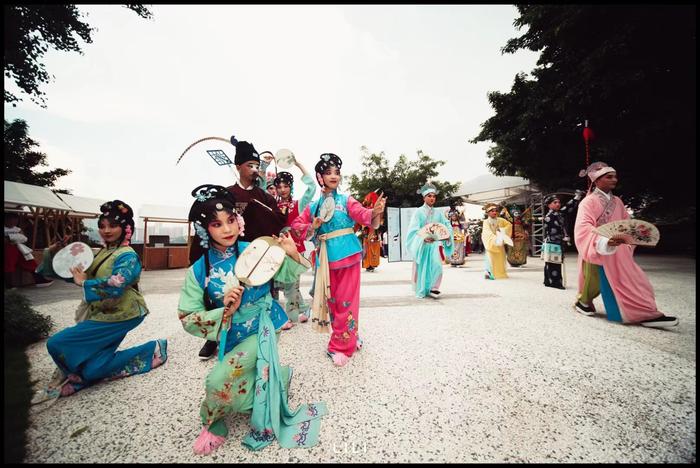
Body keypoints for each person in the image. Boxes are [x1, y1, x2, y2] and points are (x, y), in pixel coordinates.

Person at [178, 184, 326, 454]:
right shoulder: (199, 270)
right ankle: (278, 377)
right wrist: (223, 312)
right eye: (217, 224)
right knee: (248, 375)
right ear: (203, 230)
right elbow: (187, 316)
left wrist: (292, 253)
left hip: (263, 325)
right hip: (229, 331)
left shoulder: (256, 249)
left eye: (231, 220)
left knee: (218, 380)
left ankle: (214, 423)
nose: (227, 229)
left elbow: (286, 277)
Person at [40, 200, 166, 397]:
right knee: (94, 368)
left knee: (56, 343)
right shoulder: (102, 252)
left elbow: (117, 284)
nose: (106, 230)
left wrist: (83, 283)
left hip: (124, 312)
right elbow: (75, 275)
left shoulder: (128, 255)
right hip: (104, 311)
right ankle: (153, 350)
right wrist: (56, 254)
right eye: (102, 226)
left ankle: (76, 376)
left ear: (125, 228)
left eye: (113, 225)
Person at [187, 137, 287, 361]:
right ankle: (214, 336)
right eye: (249, 165)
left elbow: (278, 222)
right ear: (238, 167)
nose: (254, 170)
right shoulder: (227, 195)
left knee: (259, 295)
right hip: (228, 253)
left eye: (256, 166)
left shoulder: (264, 197)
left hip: (256, 254)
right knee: (222, 293)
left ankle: (263, 332)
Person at [291, 153, 385, 367]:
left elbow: (363, 215)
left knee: (347, 301)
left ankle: (339, 344)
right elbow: (296, 227)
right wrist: (312, 226)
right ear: (319, 176)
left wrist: (375, 211)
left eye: (337, 172)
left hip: (349, 256)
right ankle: (348, 335)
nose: (334, 176)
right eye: (328, 172)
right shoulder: (312, 206)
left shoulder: (346, 200)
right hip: (325, 258)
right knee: (333, 302)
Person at [573, 162, 678, 328]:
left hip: (618, 249)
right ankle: (589, 304)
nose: (614, 179)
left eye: (615, 176)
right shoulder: (588, 202)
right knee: (595, 281)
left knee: (635, 279)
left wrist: (635, 238)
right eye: (609, 177)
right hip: (599, 247)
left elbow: (627, 225)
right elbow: (584, 227)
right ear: (597, 181)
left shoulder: (618, 201)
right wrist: (604, 241)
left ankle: (646, 312)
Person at [273, 160, 317, 326]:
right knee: (278, 285)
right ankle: (304, 308)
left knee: (291, 286)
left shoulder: (299, 205)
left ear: (291, 187)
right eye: (279, 186)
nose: (282, 190)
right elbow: (261, 189)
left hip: (294, 251)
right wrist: (263, 166)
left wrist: (299, 165)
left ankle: (289, 318)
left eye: (286, 186)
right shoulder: (273, 205)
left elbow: (312, 188)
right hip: (276, 250)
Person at [405, 183, 454, 297]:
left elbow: (446, 225)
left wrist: (447, 235)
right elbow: (413, 230)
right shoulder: (418, 212)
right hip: (422, 245)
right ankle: (424, 287)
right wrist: (422, 238)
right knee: (422, 267)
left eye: (434, 196)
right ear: (424, 198)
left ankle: (434, 287)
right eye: (429, 196)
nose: (432, 198)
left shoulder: (438, 213)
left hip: (433, 246)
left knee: (437, 265)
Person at [542, 191, 584, 289]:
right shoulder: (549, 217)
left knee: (552, 262)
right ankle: (555, 282)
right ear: (549, 205)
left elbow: (568, 207)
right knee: (554, 263)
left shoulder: (559, 213)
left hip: (555, 242)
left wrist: (576, 198)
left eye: (558, 202)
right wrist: (563, 237)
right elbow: (553, 230)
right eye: (555, 202)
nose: (558, 204)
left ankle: (548, 281)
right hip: (553, 242)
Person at [4, 212, 54, 288]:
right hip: (8, 249)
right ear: (7, 220)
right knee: (8, 266)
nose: (14, 222)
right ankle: (8, 285)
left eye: (16, 220)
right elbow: (8, 240)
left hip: (19, 248)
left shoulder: (17, 229)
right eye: (12, 220)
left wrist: (12, 238)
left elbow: (24, 239)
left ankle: (39, 280)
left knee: (30, 262)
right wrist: (15, 238)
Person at [481, 203, 512, 280]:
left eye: (495, 211)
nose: (494, 212)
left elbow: (509, 225)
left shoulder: (501, 220)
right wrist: (495, 239)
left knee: (500, 258)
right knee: (490, 257)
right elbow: (486, 232)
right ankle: (489, 273)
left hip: (500, 242)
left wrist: (502, 231)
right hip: (492, 242)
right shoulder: (486, 222)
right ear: (488, 213)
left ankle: (500, 272)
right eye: (492, 211)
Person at [357, 191, 382, 272]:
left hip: (372, 232)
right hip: (367, 232)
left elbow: (379, 221)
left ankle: (372, 264)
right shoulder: (365, 208)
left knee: (372, 247)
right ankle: (369, 265)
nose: (366, 200)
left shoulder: (372, 209)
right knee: (367, 248)